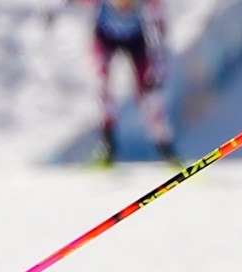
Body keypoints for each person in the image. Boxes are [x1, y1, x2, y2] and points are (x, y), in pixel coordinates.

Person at [46, 0, 180, 165]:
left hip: (136, 42)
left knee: (149, 97)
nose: (124, 4)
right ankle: (108, 146)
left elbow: (161, 32)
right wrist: (53, 10)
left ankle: (166, 149)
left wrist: (157, 72)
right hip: (104, 40)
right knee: (101, 87)